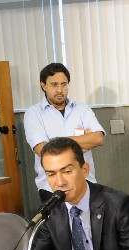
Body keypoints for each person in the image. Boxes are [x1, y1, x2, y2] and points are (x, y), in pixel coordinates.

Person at [11, 137, 129, 250]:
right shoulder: (52, 210)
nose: (60, 182)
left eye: (67, 171)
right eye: (51, 174)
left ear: (85, 170)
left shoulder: (119, 204)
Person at [24, 63, 105, 200]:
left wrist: (55, 143)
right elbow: (43, 151)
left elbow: (98, 138)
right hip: (52, 188)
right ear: (43, 85)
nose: (60, 90)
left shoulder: (81, 109)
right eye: (54, 85)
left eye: (64, 84)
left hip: (86, 184)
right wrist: (82, 143)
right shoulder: (33, 114)